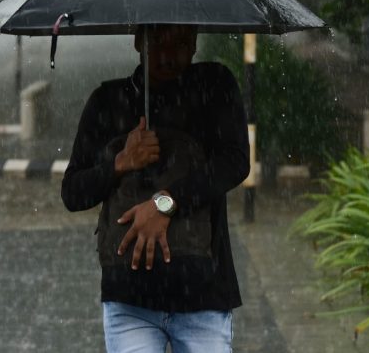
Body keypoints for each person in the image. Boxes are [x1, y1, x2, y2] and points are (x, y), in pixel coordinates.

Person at [61, 24, 250, 353]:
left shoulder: (215, 87)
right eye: (157, 42)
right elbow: (73, 193)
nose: (168, 55)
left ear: (194, 44)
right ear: (137, 41)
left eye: (180, 43)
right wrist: (120, 163)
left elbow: (234, 163)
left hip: (203, 291)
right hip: (129, 298)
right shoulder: (108, 101)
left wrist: (166, 203)